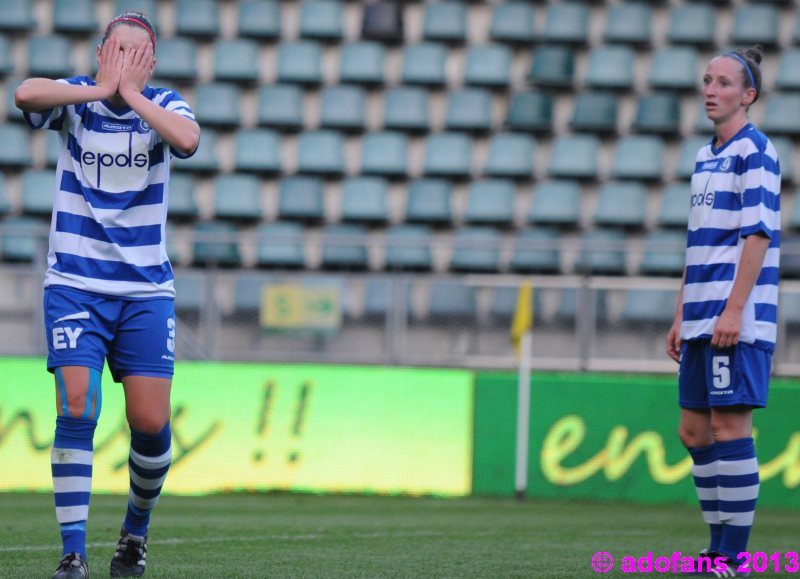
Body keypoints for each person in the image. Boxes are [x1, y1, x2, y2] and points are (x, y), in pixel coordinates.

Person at [15, 11, 200, 579]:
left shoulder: (167, 104)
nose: (125, 59)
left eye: (136, 51)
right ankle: (73, 553)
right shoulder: (76, 97)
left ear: (152, 62)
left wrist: (133, 95)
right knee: (77, 404)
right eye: (116, 49)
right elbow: (24, 93)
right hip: (75, 282)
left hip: (144, 288)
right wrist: (102, 87)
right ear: (100, 52)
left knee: (149, 424)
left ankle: (135, 531)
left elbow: (189, 140)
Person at [666, 45, 780, 578]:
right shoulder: (705, 154)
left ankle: (730, 559)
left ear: (748, 95)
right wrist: (680, 313)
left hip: (736, 318)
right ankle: (716, 553)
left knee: (730, 429)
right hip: (699, 317)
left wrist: (734, 310)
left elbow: (757, 235)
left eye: (724, 83)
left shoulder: (756, 151)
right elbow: (698, 244)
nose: (710, 90)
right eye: (707, 80)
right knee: (694, 433)